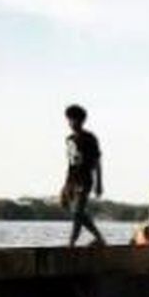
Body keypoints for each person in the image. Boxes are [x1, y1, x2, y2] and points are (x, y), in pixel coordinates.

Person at [62, 104, 106, 247]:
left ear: (81, 121)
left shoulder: (89, 138)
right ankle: (99, 238)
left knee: (77, 212)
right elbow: (70, 163)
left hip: (85, 178)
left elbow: (97, 161)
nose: (71, 123)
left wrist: (99, 182)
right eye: (69, 120)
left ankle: (71, 243)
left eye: (74, 120)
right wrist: (65, 184)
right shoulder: (69, 139)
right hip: (72, 179)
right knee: (74, 210)